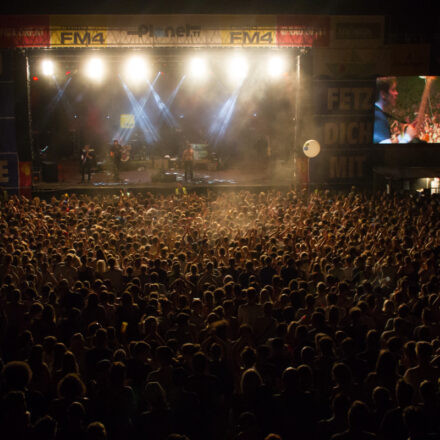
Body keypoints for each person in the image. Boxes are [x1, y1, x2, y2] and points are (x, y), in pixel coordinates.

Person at [373, 77, 417, 144]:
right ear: (383, 94)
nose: (396, 93)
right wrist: (408, 137)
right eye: (393, 90)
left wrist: (402, 136)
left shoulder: (378, 113)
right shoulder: (378, 116)